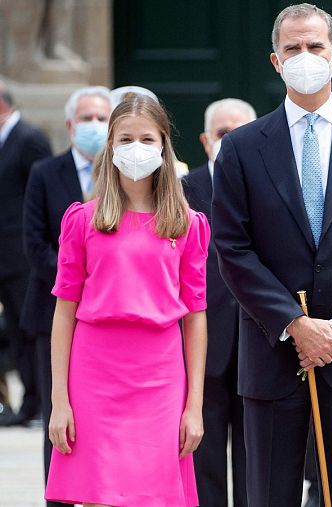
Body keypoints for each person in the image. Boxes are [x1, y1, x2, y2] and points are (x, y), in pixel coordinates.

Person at [211, 4, 332, 506]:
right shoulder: (242, 147)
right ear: (275, 61)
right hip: (274, 354)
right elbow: (233, 248)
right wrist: (295, 324)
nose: (304, 56)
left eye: (315, 46)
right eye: (293, 48)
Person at [44, 95, 208, 506]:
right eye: (126, 139)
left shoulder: (187, 224)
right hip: (94, 373)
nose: (137, 147)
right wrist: (59, 400)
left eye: (147, 139)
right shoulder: (83, 220)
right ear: (111, 146)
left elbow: (195, 316)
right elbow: (64, 313)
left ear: (164, 145)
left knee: (155, 494)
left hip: (160, 375)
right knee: (98, 493)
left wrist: (194, 406)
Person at [21, 85, 112, 507]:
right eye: (86, 118)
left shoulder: (128, 177)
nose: (94, 125)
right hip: (53, 311)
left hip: (107, 316)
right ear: (70, 125)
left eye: (102, 118)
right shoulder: (45, 172)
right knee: (59, 412)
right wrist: (78, 283)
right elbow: (35, 242)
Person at [182, 98, 256, 507]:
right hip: (202, 341)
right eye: (223, 133)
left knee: (255, 455)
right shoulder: (181, 191)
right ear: (205, 140)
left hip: (259, 338)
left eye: (240, 132)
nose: (231, 141)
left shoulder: (273, 185)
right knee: (203, 454)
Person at [0, 78, 52, 427]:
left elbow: (40, 197)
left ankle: (39, 401)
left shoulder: (29, 138)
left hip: (22, 257)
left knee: (30, 328)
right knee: (15, 334)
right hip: (4, 258)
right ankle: (27, 402)